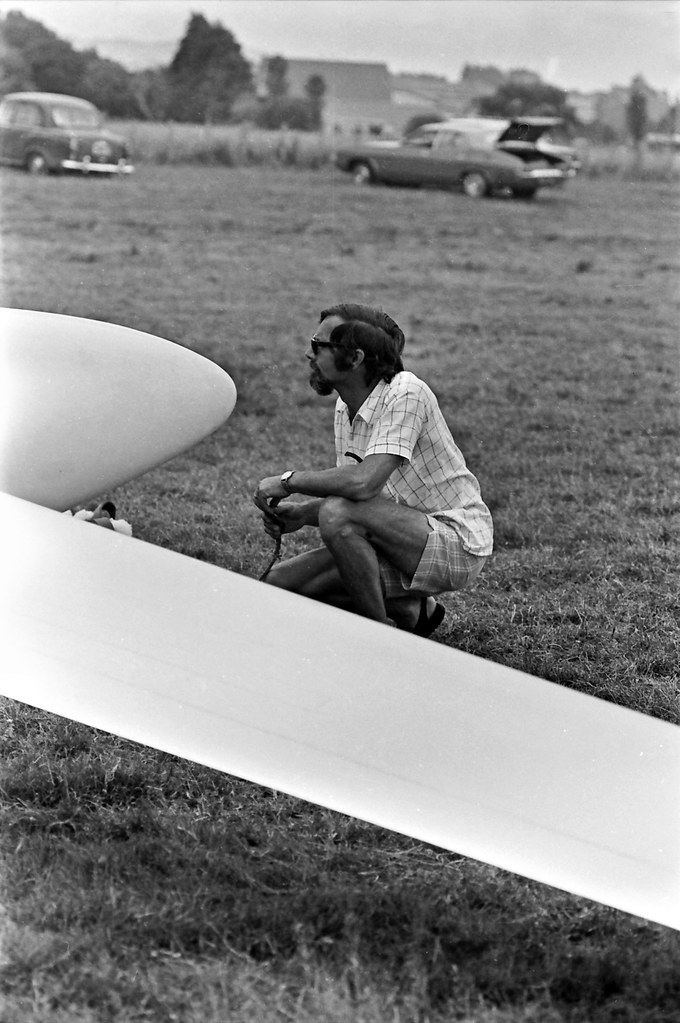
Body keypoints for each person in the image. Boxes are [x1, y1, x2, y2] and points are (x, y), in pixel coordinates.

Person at [254, 303, 493, 635]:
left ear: (355, 358)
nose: (309, 355)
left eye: (318, 346)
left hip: (455, 542)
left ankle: (377, 638)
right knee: (277, 584)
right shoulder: (346, 406)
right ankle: (412, 611)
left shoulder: (406, 392)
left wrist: (289, 482)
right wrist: (303, 514)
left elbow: (362, 485)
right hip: (395, 537)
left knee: (337, 513)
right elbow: (359, 500)